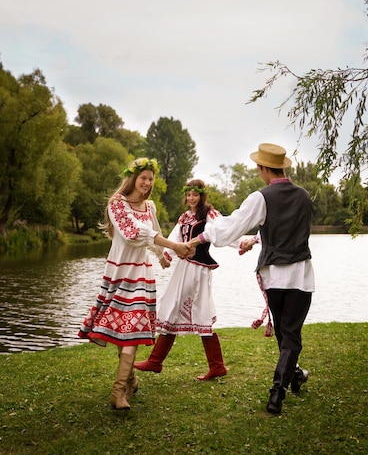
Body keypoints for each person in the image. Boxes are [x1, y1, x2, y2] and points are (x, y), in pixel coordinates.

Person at [187, 143, 314, 415]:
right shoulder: (304, 196)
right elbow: (288, 230)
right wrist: (256, 239)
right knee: (288, 334)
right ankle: (292, 378)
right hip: (301, 276)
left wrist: (203, 235)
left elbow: (230, 227)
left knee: (285, 333)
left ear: (263, 169)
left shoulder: (261, 197)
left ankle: (277, 392)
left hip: (276, 276)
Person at [78, 157, 190, 411]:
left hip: (141, 275)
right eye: (144, 178)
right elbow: (133, 233)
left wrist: (163, 256)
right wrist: (172, 245)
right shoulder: (117, 204)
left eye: (151, 179)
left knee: (132, 332)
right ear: (133, 179)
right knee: (123, 332)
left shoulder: (149, 206)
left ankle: (118, 393)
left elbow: (153, 235)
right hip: (118, 274)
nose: (148, 183)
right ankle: (131, 381)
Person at [134, 179, 238, 380]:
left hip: (198, 269)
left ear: (202, 195)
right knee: (173, 306)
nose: (191, 198)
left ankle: (214, 366)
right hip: (184, 267)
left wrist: (242, 242)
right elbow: (176, 239)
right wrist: (166, 254)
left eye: (195, 195)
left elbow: (222, 231)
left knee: (197, 310)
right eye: (188, 195)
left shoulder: (209, 214)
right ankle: (157, 361)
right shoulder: (184, 217)